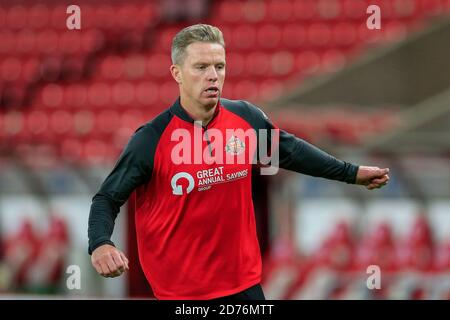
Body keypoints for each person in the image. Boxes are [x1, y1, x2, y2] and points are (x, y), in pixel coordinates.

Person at [88, 24, 390, 300]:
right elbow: (107, 198)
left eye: (219, 66)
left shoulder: (245, 120)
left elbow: (291, 153)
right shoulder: (151, 139)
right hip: (181, 296)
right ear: (177, 73)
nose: (213, 75)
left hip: (244, 289)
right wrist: (100, 242)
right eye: (201, 67)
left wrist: (352, 174)